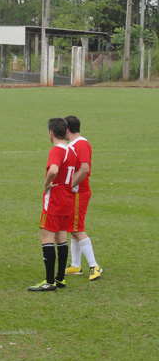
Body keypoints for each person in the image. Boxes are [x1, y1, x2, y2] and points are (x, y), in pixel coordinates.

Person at [28, 118, 78, 292]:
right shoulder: (72, 151)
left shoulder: (56, 150)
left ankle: (49, 281)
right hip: (67, 199)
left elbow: (54, 169)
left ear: (51, 133)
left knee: (46, 238)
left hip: (55, 200)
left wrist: (47, 183)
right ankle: (60, 278)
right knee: (61, 237)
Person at [64, 115, 103, 281]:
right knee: (73, 228)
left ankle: (94, 265)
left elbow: (85, 168)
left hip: (79, 192)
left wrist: (69, 185)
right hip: (74, 192)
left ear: (67, 129)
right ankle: (76, 265)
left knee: (77, 228)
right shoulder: (74, 144)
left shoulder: (81, 144)